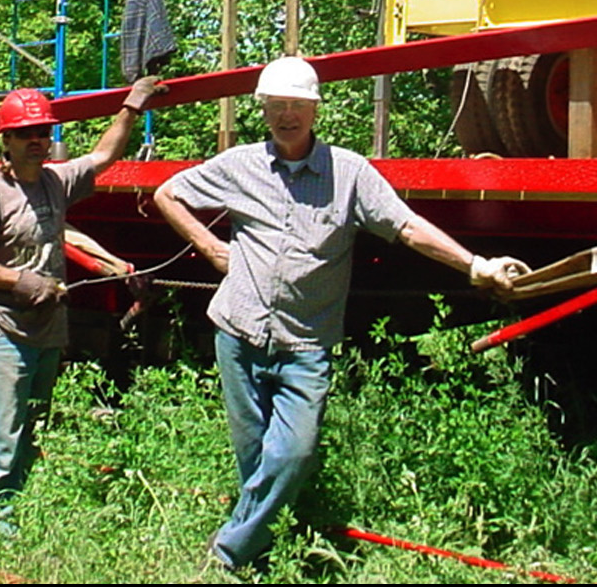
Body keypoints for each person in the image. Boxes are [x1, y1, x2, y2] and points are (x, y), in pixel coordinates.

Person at [153, 56, 531, 570]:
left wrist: (474, 265)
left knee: (294, 454)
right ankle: (261, 562)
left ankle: (227, 556)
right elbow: (167, 192)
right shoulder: (239, 165)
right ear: (262, 109)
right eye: (277, 106)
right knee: (253, 459)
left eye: (297, 106)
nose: (287, 115)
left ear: (314, 110)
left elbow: (407, 226)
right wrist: (209, 246)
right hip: (238, 333)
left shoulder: (349, 173)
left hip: (306, 345)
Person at [0, 77, 164, 523]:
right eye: (25, 134)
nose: (36, 141)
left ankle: (17, 507)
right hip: (3, 332)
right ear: (5, 140)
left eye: (42, 133)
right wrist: (22, 281)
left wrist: (132, 106)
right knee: (2, 434)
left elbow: (104, 156)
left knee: (30, 427)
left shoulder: (55, 182)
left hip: (46, 330)